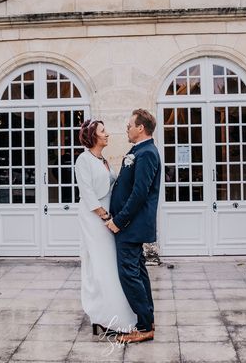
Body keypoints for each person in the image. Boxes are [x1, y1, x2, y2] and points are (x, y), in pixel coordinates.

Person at [74, 119, 137, 336]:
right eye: (103, 131)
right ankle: (102, 316)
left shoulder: (103, 159)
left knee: (111, 263)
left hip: (108, 216)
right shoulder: (83, 160)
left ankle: (117, 314)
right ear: (93, 136)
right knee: (101, 265)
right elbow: (88, 193)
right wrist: (106, 216)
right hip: (95, 218)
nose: (108, 134)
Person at [106, 109, 161, 344]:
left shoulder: (147, 153)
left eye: (129, 125)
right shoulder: (138, 150)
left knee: (129, 273)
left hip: (131, 226)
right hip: (131, 225)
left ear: (140, 128)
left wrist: (119, 221)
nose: (126, 129)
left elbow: (140, 193)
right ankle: (147, 319)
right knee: (137, 271)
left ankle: (144, 326)